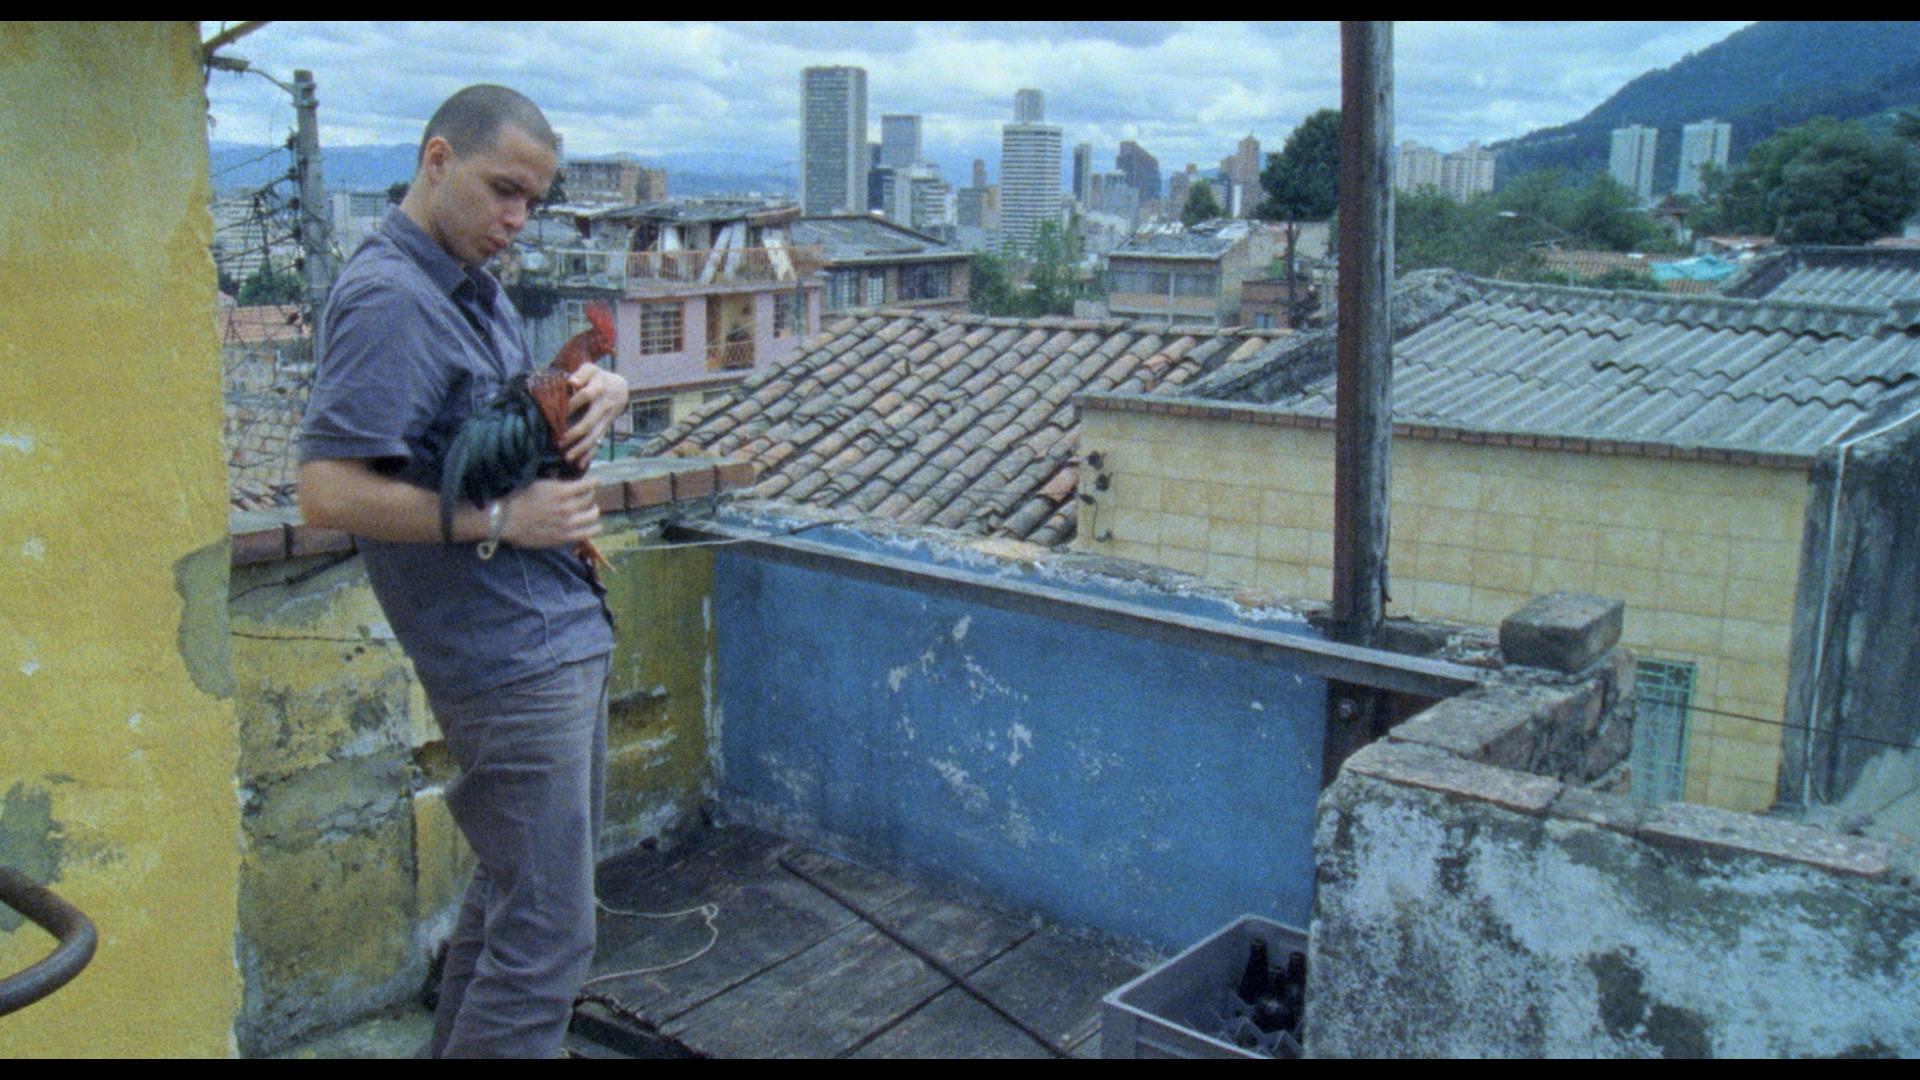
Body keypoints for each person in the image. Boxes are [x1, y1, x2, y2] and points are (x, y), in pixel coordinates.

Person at [297, 84, 629, 1058]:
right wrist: (504, 521)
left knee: (514, 900)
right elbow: (326, 490)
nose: (517, 218)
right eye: (502, 190)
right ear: (436, 160)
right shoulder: (390, 299)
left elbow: (499, 432)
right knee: (549, 938)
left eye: (533, 199)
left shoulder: (470, 288)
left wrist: (592, 391)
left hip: (553, 635)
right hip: (508, 661)